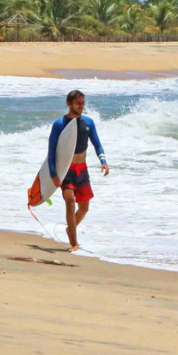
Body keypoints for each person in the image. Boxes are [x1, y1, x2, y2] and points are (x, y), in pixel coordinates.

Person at [47, 90, 109, 252]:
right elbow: (51, 151)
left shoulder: (88, 122)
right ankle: (74, 243)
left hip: (82, 170)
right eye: (78, 103)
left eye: (83, 102)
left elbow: (97, 143)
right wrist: (53, 174)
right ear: (69, 104)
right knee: (70, 202)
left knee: (84, 208)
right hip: (66, 169)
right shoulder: (59, 124)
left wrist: (103, 161)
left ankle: (70, 228)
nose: (81, 106)